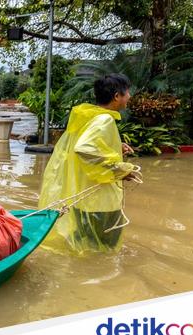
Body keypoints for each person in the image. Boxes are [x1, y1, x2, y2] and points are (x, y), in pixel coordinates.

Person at [38, 73, 142, 254]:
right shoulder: (105, 119)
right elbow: (84, 149)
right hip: (101, 202)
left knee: (84, 246)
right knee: (106, 251)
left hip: (84, 199)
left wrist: (116, 146)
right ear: (117, 96)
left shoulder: (89, 116)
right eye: (127, 93)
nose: (130, 97)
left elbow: (88, 144)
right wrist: (119, 170)